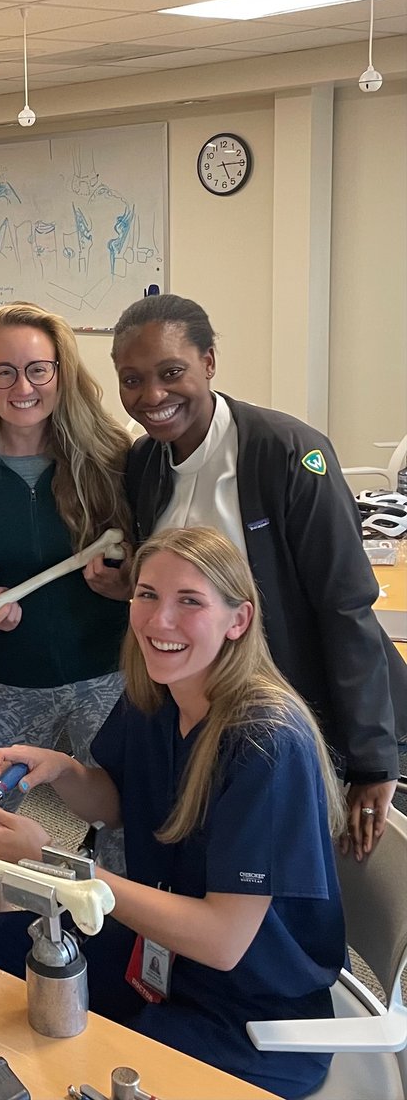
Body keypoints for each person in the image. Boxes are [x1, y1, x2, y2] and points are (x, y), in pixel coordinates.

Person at [0, 527, 346, 1100]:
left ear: (238, 620)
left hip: (247, 1010)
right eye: (146, 595)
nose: (158, 620)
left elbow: (224, 940)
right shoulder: (156, 693)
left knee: (80, 1071)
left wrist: (52, 865)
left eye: (189, 601)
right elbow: (121, 802)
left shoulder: (267, 743)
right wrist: (66, 771)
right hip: (161, 958)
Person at [111, 293, 405, 859]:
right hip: (204, 708)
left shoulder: (289, 452)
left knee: (285, 870)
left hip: (293, 708)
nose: (151, 396)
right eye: (132, 380)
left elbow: (345, 606)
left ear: (210, 362)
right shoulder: (144, 463)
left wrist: (373, 757)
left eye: (172, 372)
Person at [0, 304, 132, 846]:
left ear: (61, 373)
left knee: (128, 824)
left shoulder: (112, 459)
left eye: (38, 369)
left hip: (108, 677)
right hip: (6, 683)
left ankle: (116, 930)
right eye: (5, 372)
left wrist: (125, 582)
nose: (23, 386)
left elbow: (152, 567)